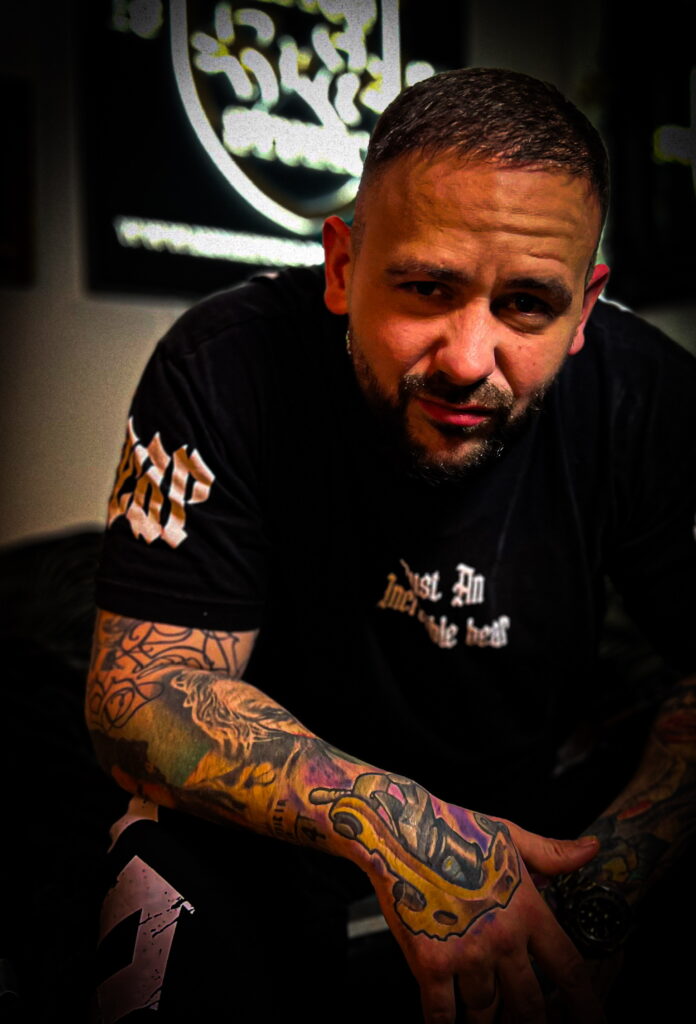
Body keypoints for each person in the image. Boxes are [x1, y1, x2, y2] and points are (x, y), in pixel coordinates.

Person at [86, 68, 696, 1023]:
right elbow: (140, 693)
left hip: (547, 811)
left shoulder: (648, 396)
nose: (467, 359)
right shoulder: (226, 361)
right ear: (341, 267)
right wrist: (399, 825)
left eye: (527, 305)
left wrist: (602, 883)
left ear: (585, 308)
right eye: (425, 288)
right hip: (279, 825)